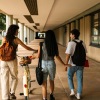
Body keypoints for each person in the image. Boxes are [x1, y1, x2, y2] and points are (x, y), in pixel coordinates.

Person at [0, 24, 37, 100]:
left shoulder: (4, 38)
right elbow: (26, 47)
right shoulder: (16, 39)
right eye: (17, 31)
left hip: (3, 61)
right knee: (14, 77)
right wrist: (35, 50)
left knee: (4, 79)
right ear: (14, 31)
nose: (18, 32)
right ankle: (12, 93)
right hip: (11, 60)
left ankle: (5, 98)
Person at [31, 30, 65, 100]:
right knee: (51, 80)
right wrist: (64, 64)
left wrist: (32, 56)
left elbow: (38, 55)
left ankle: (44, 98)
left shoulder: (41, 44)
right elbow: (57, 56)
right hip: (51, 63)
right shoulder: (54, 45)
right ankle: (51, 95)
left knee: (44, 83)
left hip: (43, 64)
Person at [65, 29, 87, 100]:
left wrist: (66, 65)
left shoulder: (71, 43)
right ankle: (78, 94)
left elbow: (68, 55)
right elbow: (85, 53)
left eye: (71, 34)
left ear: (73, 35)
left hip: (72, 65)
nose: (70, 35)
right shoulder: (83, 43)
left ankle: (72, 91)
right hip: (81, 64)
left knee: (69, 76)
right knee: (80, 79)